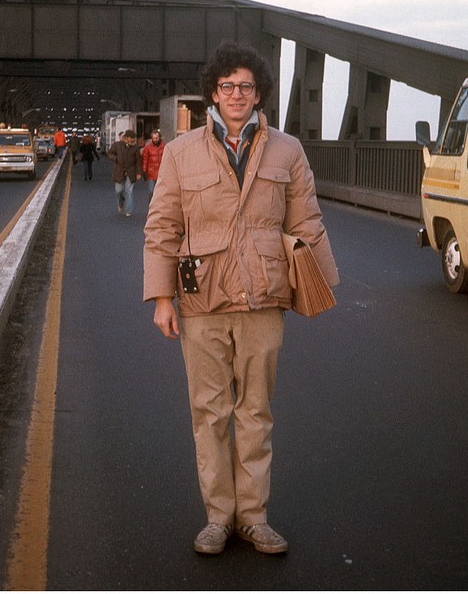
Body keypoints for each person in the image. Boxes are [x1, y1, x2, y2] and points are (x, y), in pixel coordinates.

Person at [143, 41, 339, 556]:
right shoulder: (182, 152)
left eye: (245, 86)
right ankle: (217, 518)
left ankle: (254, 517)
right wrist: (162, 297)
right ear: (214, 91)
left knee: (255, 411)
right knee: (209, 413)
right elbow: (163, 225)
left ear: (259, 94)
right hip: (201, 301)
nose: (236, 94)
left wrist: (319, 288)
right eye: (227, 86)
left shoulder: (287, 151)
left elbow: (306, 222)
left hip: (263, 299)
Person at [107, 130, 142, 217]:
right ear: (126, 138)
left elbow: (138, 161)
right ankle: (120, 203)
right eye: (131, 139)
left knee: (129, 191)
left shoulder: (136, 148)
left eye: (134, 139)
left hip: (131, 171)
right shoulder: (117, 145)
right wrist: (116, 159)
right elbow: (110, 153)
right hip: (119, 171)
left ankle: (128, 210)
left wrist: (139, 172)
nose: (133, 140)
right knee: (118, 190)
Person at [141, 129, 165, 202]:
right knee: (151, 191)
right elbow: (145, 160)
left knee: (161, 192)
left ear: (159, 137)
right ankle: (151, 206)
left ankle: (159, 206)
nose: (155, 140)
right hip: (151, 173)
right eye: (153, 138)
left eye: (156, 138)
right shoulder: (148, 147)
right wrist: (144, 171)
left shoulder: (164, 146)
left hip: (161, 173)